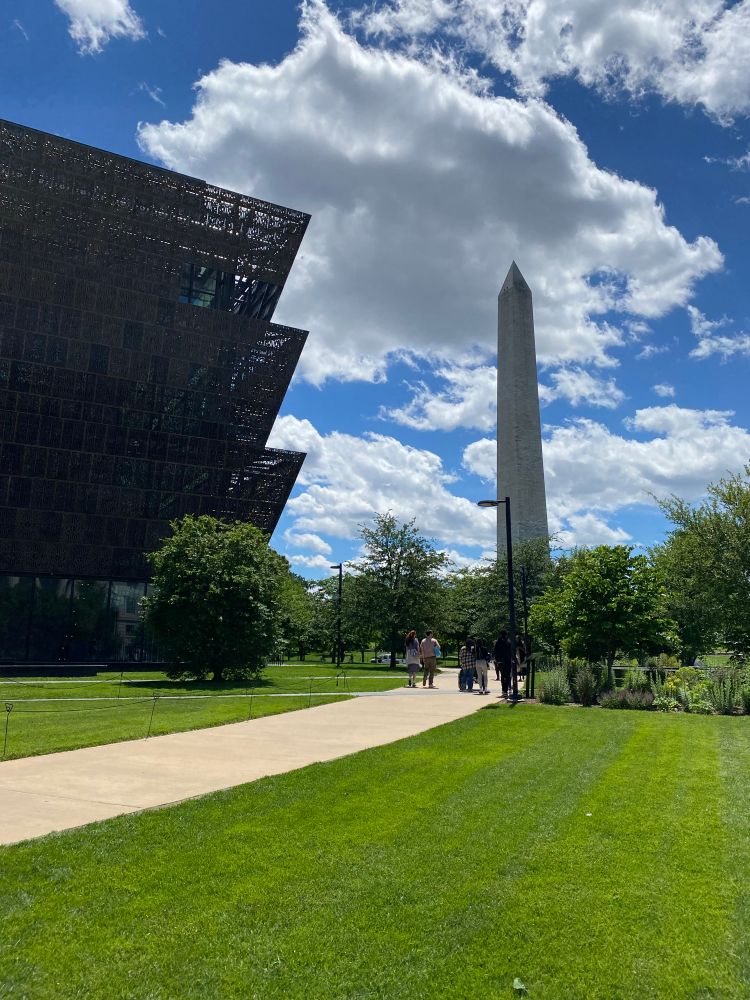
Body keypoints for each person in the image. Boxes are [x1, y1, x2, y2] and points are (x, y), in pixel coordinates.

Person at [493, 630, 513, 698]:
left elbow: (495, 651)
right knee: (507, 676)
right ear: (506, 634)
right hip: (508, 661)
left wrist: (497, 660)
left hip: (501, 661)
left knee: (502, 676)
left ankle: (504, 691)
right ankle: (507, 689)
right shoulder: (509, 642)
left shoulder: (498, 642)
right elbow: (511, 651)